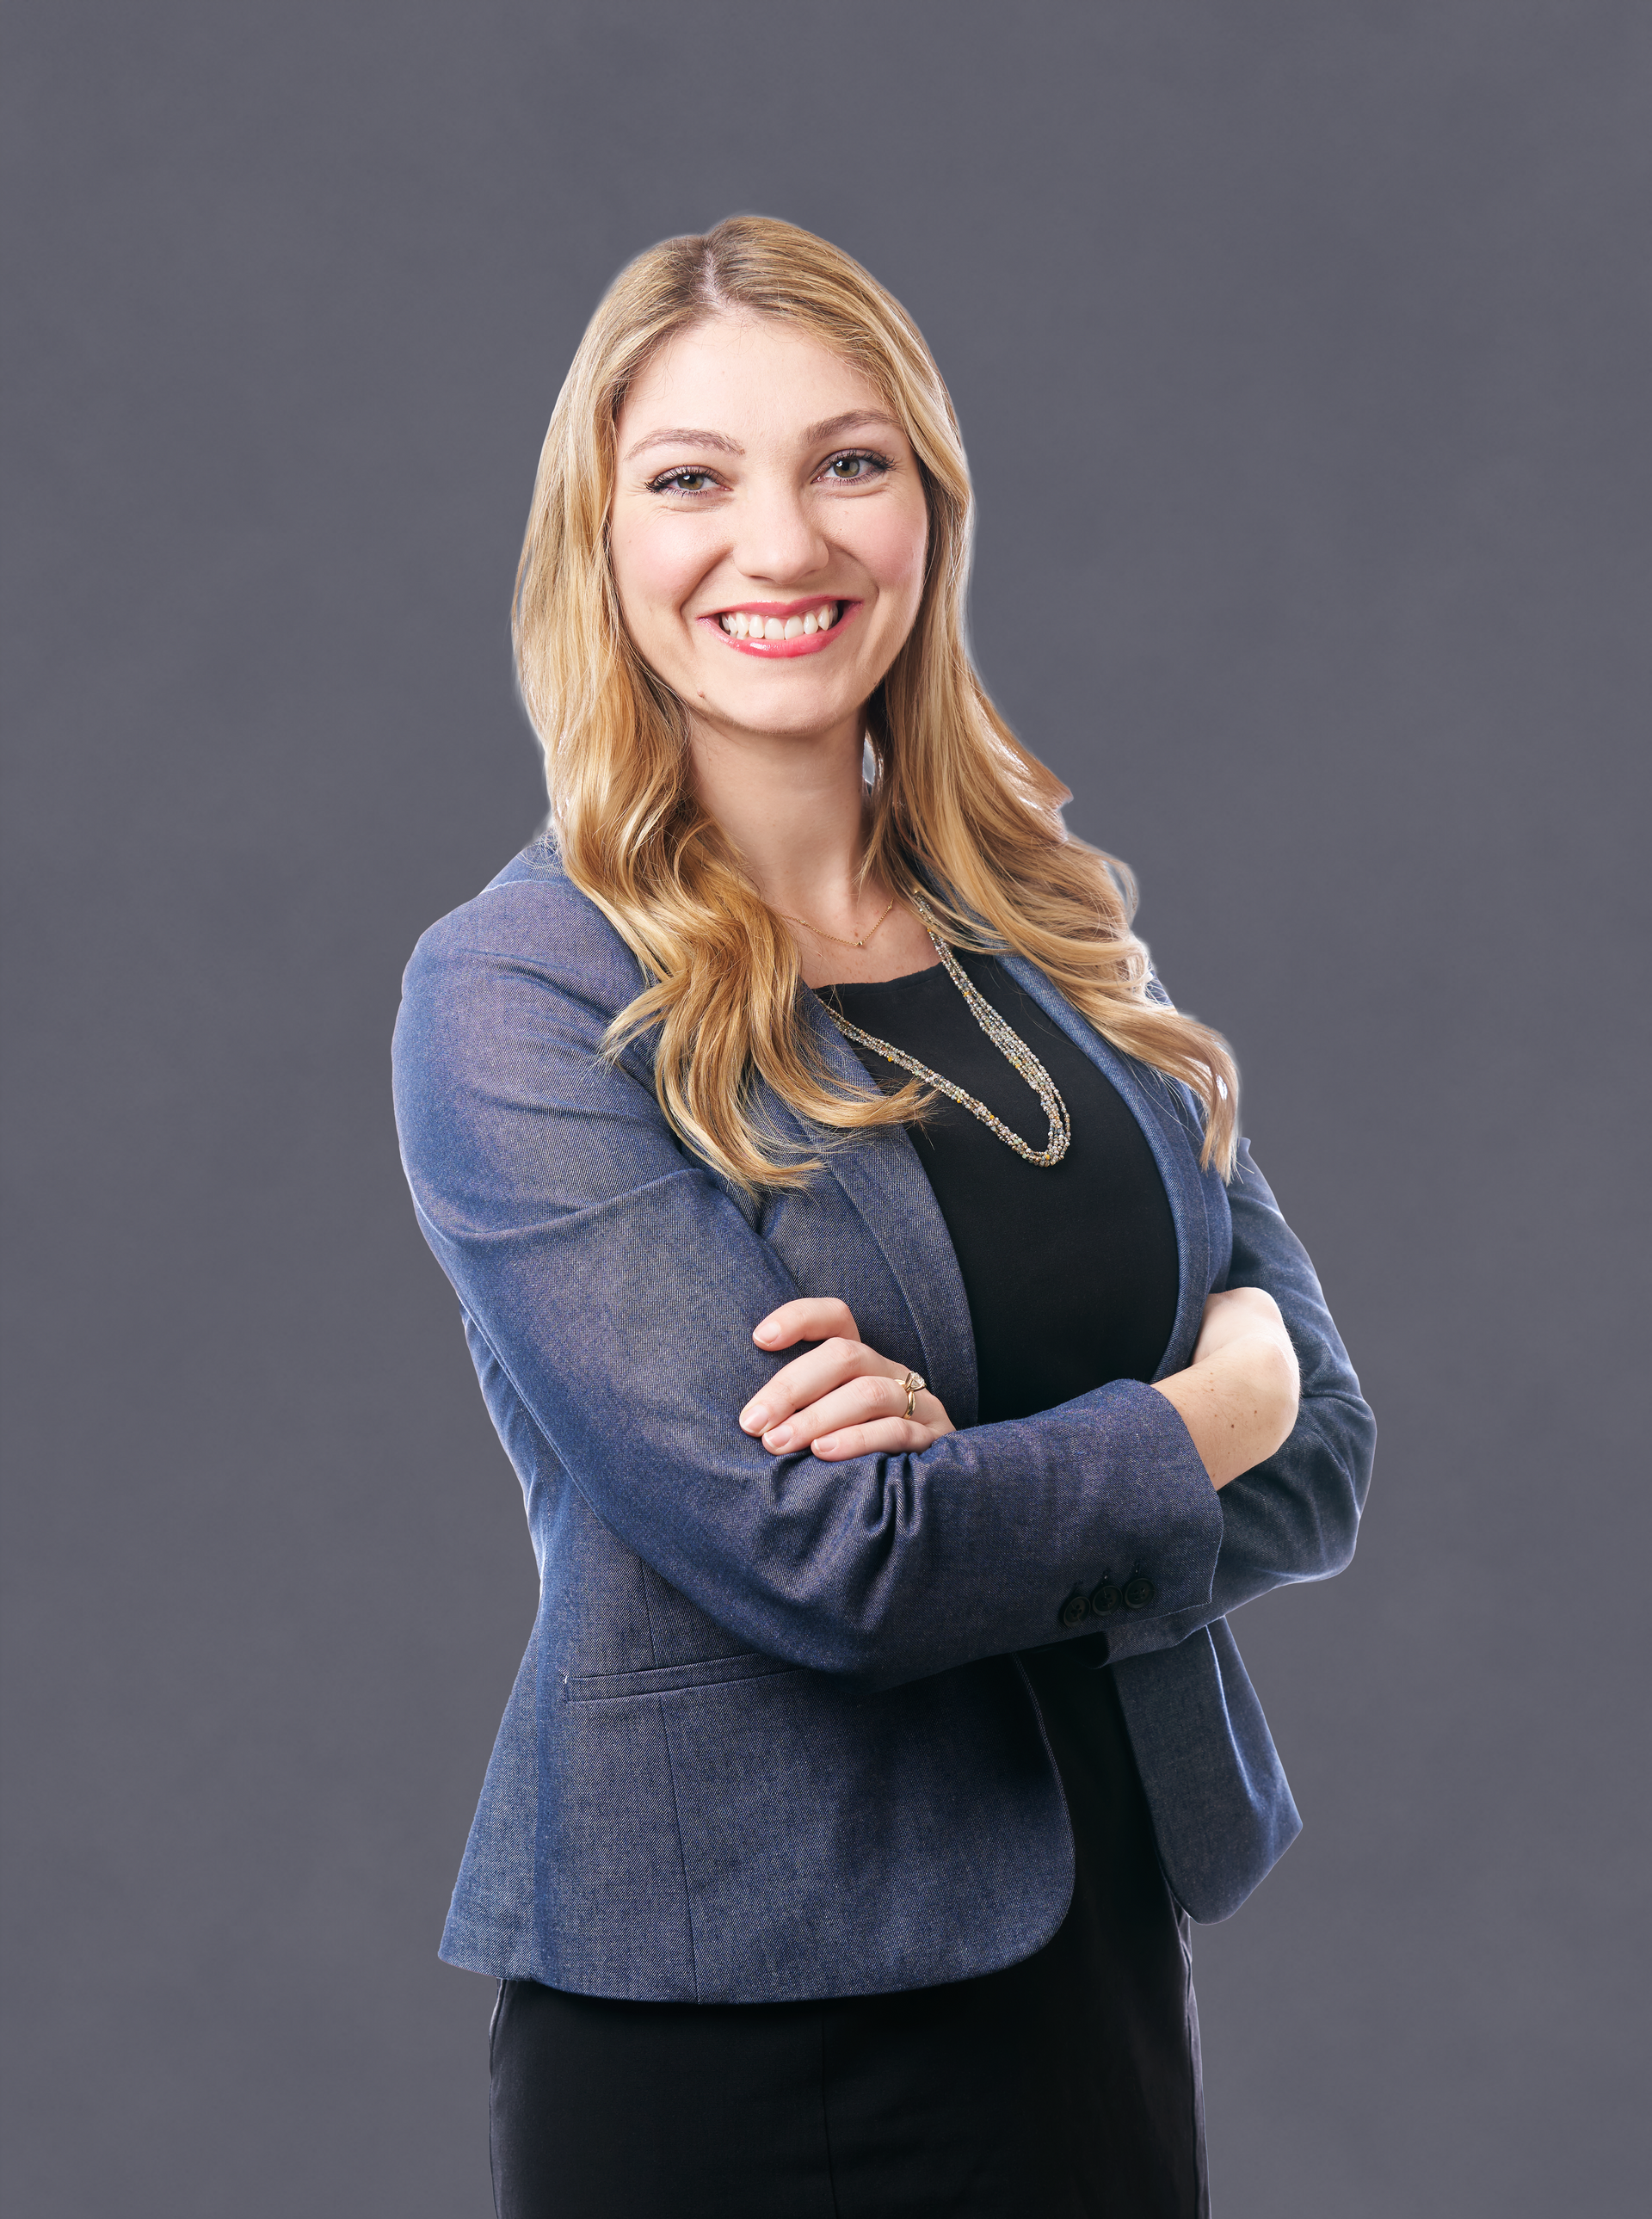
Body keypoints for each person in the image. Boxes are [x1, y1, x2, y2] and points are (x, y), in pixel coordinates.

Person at [391, 215, 1375, 2219]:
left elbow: (1333, 1447)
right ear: (599, 536)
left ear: (929, 506)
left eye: (849, 462)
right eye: (692, 478)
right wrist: (1198, 1405)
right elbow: (833, 1565)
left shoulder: (1056, 933)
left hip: (1091, 1954)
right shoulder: (519, 995)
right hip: (736, 2034)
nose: (783, 542)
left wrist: (982, 1477)